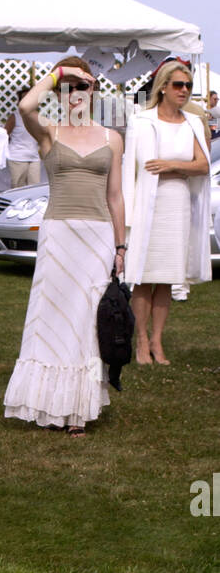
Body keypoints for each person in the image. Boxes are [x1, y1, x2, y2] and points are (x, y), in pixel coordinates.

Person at [3, 58, 125, 439]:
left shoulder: (111, 138)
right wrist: (58, 74)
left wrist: (121, 246)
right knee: (52, 317)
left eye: (83, 87)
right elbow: (25, 106)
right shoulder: (49, 134)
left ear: (94, 91)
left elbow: (116, 195)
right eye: (69, 89)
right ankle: (48, 402)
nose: (76, 94)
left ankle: (78, 410)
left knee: (88, 319)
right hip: (58, 234)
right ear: (58, 93)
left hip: (98, 236)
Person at [122, 61, 210, 365]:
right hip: (149, 203)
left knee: (167, 278)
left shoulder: (193, 124)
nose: (183, 90)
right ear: (162, 86)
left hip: (177, 202)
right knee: (144, 276)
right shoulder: (141, 121)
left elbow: (203, 164)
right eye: (178, 85)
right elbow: (129, 170)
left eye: (187, 85)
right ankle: (141, 341)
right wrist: (128, 214)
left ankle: (157, 341)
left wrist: (173, 166)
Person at [5, 88, 41, 187]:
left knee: (35, 187)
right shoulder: (14, 117)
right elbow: (5, 135)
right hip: (17, 157)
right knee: (18, 187)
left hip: (34, 157)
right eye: (23, 98)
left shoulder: (38, 117)